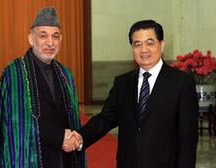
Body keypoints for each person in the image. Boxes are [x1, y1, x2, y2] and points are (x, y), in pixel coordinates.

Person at [78, 20, 199, 168]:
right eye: (137, 44)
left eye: (150, 43)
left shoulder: (182, 83)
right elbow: (105, 119)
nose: (144, 50)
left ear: (161, 45)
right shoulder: (123, 83)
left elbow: (188, 137)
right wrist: (78, 138)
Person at [0, 7, 85, 168]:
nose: (50, 42)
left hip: (64, 158)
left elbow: (73, 120)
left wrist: (74, 140)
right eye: (43, 36)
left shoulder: (66, 74)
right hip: (29, 158)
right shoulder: (14, 73)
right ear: (31, 39)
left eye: (55, 36)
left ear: (61, 39)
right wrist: (59, 136)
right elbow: (16, 123)